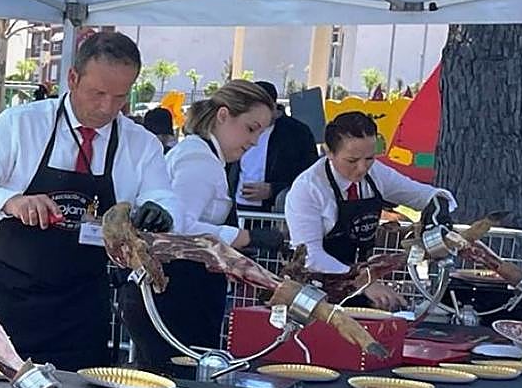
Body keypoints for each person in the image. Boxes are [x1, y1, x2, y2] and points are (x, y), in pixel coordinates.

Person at [0, 32, 179, 372]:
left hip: (82, 311)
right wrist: (10, 201)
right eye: (97, 93)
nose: (107, 108)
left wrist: (160, 211)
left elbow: (163, 195)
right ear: (72, 78)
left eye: (120, 97)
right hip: (8, 305)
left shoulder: (140, 144)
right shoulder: (21, 124)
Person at [119, 81, 281, 368]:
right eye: (251, 128)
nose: (254, 141)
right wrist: (245, 237)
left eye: (261, 133)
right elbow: (176, 229)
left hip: (179, 293)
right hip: (173, 295)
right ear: (223, 116)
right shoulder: (199, 159)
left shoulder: (203, 155)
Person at [284, 110, 456, 311]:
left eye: (369, 158)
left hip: (360, 283)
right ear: (328, 152)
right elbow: (310, 257)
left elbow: (425, 195)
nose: (362, 168)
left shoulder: (376, 174)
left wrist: (438, 211)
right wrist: (363, 282)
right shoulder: (308, 188)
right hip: (312, 291)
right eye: (352, 160)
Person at [235, 82, 319, 212]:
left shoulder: (297, 133)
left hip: (276, 212)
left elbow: (310, 175)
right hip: (236, 209)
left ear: (273, 107)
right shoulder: (237, 127)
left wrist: (273, 190)